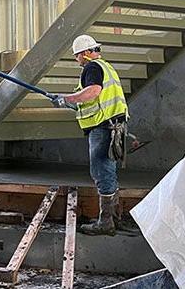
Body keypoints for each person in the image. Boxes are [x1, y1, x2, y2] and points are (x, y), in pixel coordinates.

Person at [52, 35, 128, 236]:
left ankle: (106, 222)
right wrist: (69, 101)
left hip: (104, 127)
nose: (77, 60)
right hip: (113, 125)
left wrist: (66, 98)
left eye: (77, 55)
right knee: (108, 170)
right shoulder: (105, 66)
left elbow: (93, 91)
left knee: (101, 172)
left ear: (85, 53)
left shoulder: (92, 67)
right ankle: (114, 218)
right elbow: (91, 99)